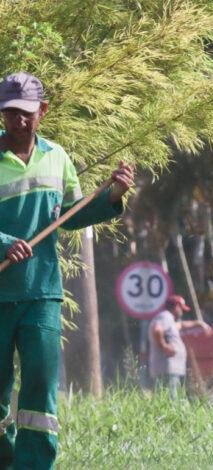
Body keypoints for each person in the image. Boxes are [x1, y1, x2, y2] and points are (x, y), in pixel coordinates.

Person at [0, 72, 134, 469]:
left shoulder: (57, 157)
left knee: (40, 391)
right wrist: (5, 242)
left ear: (42, 111)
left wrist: (112, 195)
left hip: (42, 293)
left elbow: (72, 214)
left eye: (25, 113)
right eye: (9, 113)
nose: (18, 121)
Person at [148, 294, 212, 398]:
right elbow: (157, 329)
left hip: (169, 369)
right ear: (177, 307)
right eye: (181, 309)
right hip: (167, 369)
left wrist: (199, 323)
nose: (182, 312)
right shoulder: (165, 316)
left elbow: (181, 325)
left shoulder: (169, 320)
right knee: (169, 400)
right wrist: (165, 346)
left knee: (171, 399)